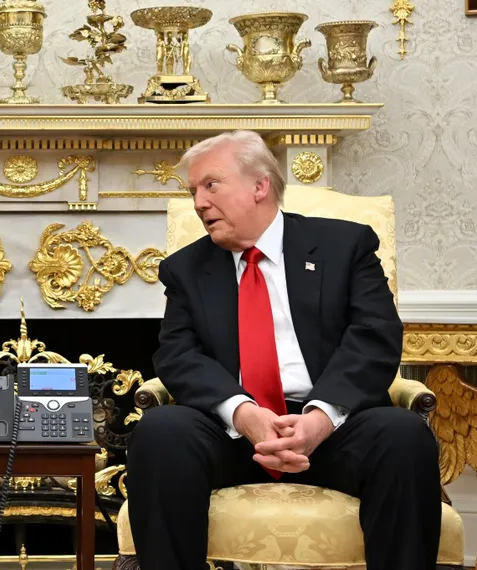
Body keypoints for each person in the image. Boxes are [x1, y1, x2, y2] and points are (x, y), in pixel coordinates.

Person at [126, 130, 441, 570]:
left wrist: (320, 418)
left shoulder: (345, 246)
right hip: (233, 435)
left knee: (404, 436)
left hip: (333, 428)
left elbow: (375, 336)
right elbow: (178, 354)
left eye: (211, 185)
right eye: (193, 191)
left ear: (260, 186)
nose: (198, 202)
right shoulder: (186, 269)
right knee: (160, 432)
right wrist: (243, 413)